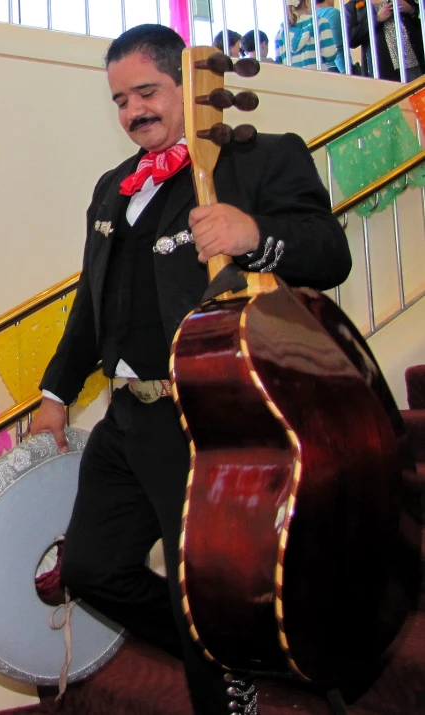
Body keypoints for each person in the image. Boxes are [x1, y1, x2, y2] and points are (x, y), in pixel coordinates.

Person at [30, 23, 351, 715]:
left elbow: (330, 252)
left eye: (146, 92)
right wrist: (56, 389)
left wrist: (256, 236)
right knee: (91, 567)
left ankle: (224, 681)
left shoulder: (261, 158)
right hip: (126, 416)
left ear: (190, 84)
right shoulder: (112, 188)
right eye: (119, 100)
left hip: (206, 413)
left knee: (196, 584)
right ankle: (224, 655)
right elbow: (92, 301)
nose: (132, 111)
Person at [345, 0, 424, 82]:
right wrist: (377, 19)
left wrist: (411, 10)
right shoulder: (352, 6)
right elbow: (351, 39)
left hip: (415, 63)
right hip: (381, 70)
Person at [275, 0, 338, 70]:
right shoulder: (320, 22)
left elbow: (278, 64)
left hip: (292, 79)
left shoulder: (280, 34)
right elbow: (330, 55)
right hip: (318, 78)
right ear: (307, 2)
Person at [315, 0, 346, 72]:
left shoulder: (310, 17)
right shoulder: (331, 13)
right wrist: (345, 71)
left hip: (318, 69)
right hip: (334, 68)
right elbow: (337, 47)